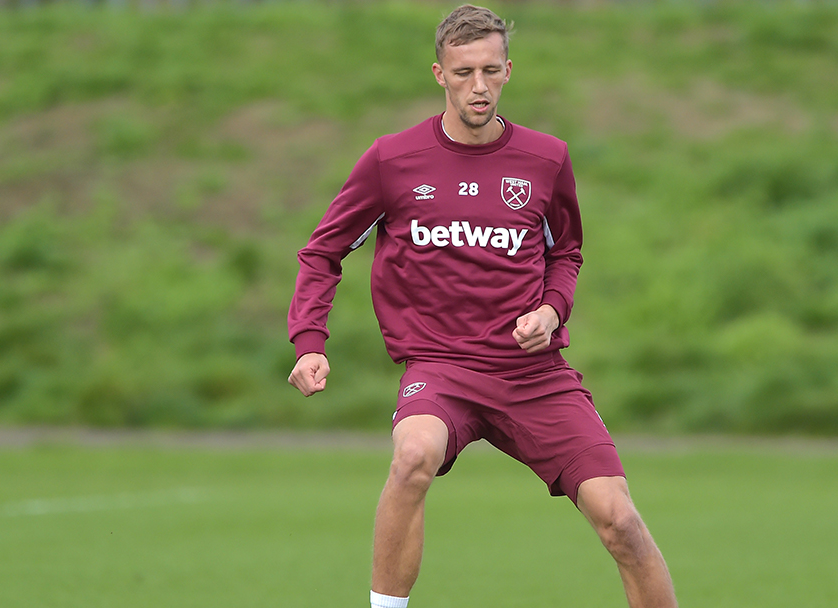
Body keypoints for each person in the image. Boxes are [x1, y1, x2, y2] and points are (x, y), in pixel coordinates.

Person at [287, 5, 678, 608]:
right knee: (413, 455)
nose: (479, 86)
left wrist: (552, 311)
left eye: (491, 71)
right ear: (439, 73)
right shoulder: (393, 160)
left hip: (534, 375)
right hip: (440, 368)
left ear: (508, 71)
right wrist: (310, 342)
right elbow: (323, 252)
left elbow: (566, 252)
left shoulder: (546, 159)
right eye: (464, 71)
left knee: (620, 521)